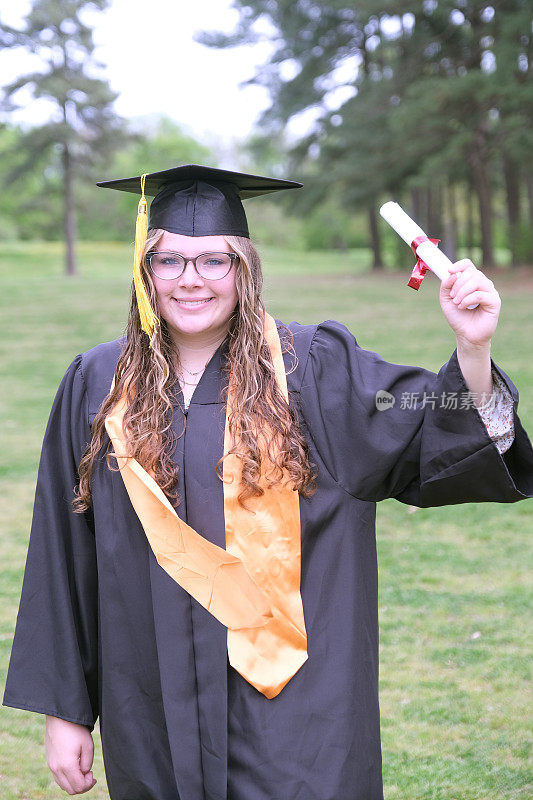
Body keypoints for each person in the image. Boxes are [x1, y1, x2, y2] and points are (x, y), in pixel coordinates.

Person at [3, 164, 533, 800]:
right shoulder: (99, 385)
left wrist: (472, 351)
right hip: (148, 704)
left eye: (213, 261)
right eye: (169, 260)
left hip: (299, 715)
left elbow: (425, 424)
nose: (190, 280)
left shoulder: (315, 369)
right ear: (145, 272)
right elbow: (64, 555)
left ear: (245, 269)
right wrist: (66, 712)